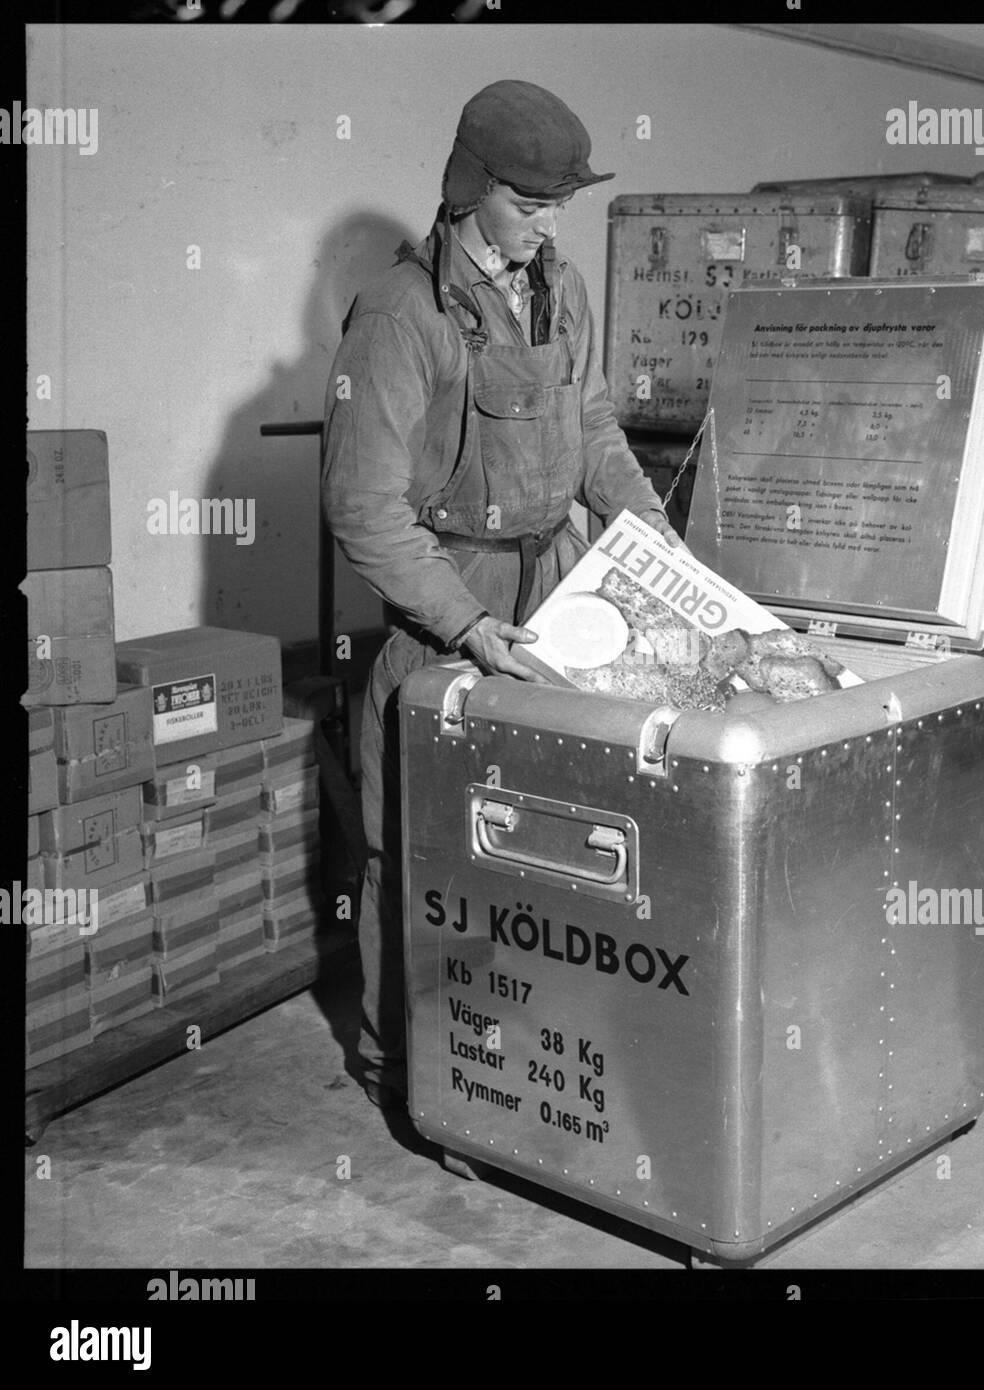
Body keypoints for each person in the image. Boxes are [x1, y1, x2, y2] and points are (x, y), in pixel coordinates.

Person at [321, 80, 684, 1109]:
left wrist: (656, 542)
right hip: (450, 605)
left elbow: (598, 433)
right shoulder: (400, 317)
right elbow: (363, 507)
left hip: (560, 590)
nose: (547, 225)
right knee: (420, 850)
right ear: (470, 186)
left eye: (561, 203)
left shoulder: (561, 292)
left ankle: (525, 1072)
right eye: (529, 204)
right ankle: (406, 1068)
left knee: (555, 850)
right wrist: (467, 625)